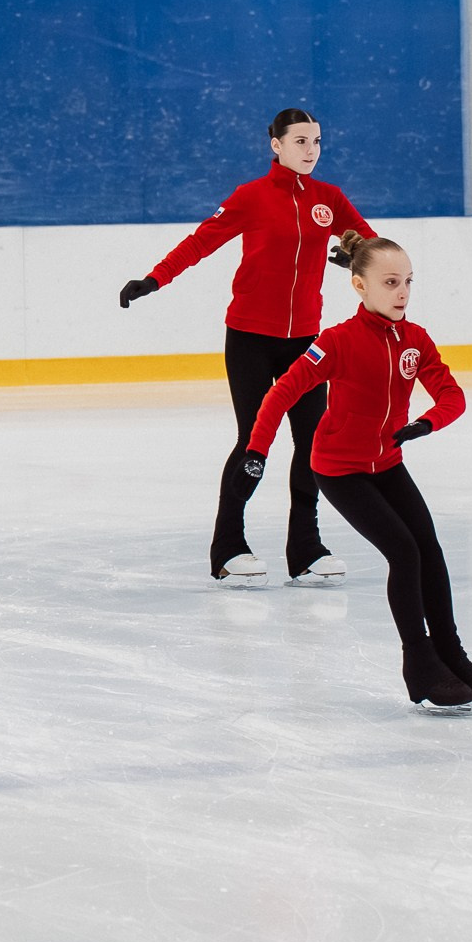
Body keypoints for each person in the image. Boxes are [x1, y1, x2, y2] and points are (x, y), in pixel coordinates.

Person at [246, 236, 472, 714]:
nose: (402, 291)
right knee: (404, 552)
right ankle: (420, 664)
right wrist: (257, 450)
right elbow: (281, 393)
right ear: (360, 286)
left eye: (408, 281)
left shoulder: (416, 339)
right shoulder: (336, 342)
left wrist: (426, 424)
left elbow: (453, 395)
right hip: (340, 470)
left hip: (387, 462)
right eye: (390, 282)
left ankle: (452, 654)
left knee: (430, 550)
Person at [121, 107, 374, 585]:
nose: (310, 151)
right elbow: (202, 242)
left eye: (317, 142)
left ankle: (305, 548)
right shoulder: (252, 197)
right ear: (275, 145)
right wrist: (155, 279)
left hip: (306, 340)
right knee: (254, 440)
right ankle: (228, 547)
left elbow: (371, 246)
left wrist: (362, 258)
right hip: (251, 338)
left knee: (313, 443)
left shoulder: (329, 199)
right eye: (300, 142)